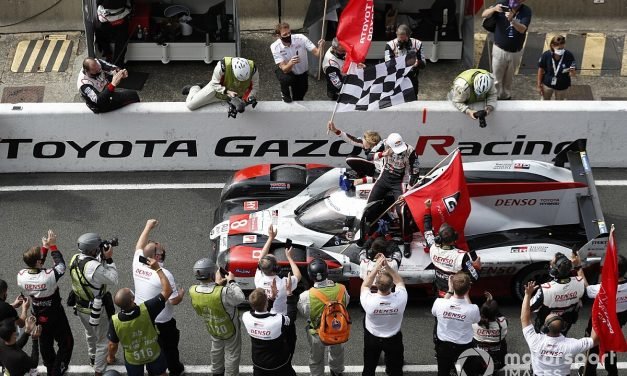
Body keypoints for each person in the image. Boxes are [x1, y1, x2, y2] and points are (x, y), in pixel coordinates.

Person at [132, 219, 185, 376]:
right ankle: (175, 369)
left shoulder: (137, 263)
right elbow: (173, 299)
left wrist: (147, 226)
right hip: (162, 322)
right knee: (169, 347)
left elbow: (138, 247)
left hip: (143, 317)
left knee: (149, 345)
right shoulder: (164, 274)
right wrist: (181, 294)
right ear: (156, 256)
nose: (164, 252)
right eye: (162, 251)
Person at [17, 230, 74, 376]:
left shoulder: (21, 276)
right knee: (66, 342)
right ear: (38, 261)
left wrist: (45, 248)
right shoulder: (48, 277)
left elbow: (37, 267)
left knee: (45, 343)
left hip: (37, 312)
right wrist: (53, 246)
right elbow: (61, 266)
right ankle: (58, 368)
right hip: (54, 313)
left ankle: (50, 367)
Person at [107, 257, 172, 376]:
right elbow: (167, 291)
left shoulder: (115, 321)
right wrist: (158, 269)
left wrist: (111, 357)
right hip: (153, 353)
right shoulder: (147, 308)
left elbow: (112, 344)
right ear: (133, 299)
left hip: (133, 359)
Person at [521, 281, 597, 376]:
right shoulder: (572, 344)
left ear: (545, 328)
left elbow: (524, 318)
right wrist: (597, 313)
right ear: (563, 327)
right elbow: (595, 340)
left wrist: (527, 295)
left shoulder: (535, 340)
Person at [69, 233, 119, 376]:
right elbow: (113, 279)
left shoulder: (76, 257)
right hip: (95, 310)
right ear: (93, 250)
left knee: (90, 334)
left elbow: (90, 267)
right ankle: (99, 371)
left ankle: (93, 358)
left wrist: (100, 257)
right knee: (103, 341)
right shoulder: (94, 268)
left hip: (80, 306)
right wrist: (108, 258)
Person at [189, 258, 246, 376]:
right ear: (211, 274)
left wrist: (216, 285)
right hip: (230, 327)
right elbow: (239, 298)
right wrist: (232, 282)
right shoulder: (223, 291)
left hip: (212, 326)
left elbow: (203, 302)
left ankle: (216, 371)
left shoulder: (193, 290)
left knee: (216, 349)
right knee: (232, 352)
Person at [298, 258, 350, 376]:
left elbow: (304, 312)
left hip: (316, 332)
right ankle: (337, 372)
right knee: (337, 353)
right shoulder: (342, 289)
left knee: (316, 358)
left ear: (311, 276)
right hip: (337, 328)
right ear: (327, 272)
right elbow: (346, 304)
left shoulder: (306, 296)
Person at [255, 225, 302, 354]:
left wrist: (270, 238)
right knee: (287, 347)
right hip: (282, 321)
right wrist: (290, 258)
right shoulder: (284, 283)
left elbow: (260, 259)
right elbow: (298, 276)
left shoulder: (258, 279)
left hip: (266, 320)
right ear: (276, 268)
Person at [580, 254, 627, 376]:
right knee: (610, 350)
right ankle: (613, 373)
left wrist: (578, 267)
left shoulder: (602, 288)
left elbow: (587, 289)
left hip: (599, 326)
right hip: (616, 325)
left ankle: (589, 373)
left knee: (592, 350)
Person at [423, 199, 481, 297]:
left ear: (438, 238)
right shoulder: (462, 256)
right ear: (455, 239)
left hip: (439, 293)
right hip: (456, 296)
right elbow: (474, 277)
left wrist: (427, 208)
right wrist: (477, 267)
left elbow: (427, 229)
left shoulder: (433, 247)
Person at [360, 257, 407, 376]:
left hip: (372, 338)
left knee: (369, 368)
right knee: (395, 370)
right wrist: (387, 267)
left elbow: (365, 285)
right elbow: (400, 281)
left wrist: (376, 267)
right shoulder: (401, 298)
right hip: (393, 338)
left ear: (376, 284)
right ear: (392, 285)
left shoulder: (369, 300)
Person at [431, 272, 480, 376]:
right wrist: (466, 294)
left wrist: (449, 290)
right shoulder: (473, 308)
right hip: (464, 346)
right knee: (468, 372)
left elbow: (435, 311)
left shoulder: (439, 303)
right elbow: (476, 320)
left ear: (452, 285)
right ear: (468, 288)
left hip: (444, 346)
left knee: (443, 372)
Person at [481, 0, 532, 100]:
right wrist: (494, 9)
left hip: (515, 51)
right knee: (496, 78)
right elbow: (484, 14)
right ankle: (495, 97)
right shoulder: (501, 3)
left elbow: (522, 29)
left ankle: (506, 96)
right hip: (499, 49)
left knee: (509, 78)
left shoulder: (526, 11)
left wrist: (512, 20)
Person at [242, 288, 296, 376]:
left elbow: (260, 310)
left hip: (258, 363)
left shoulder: (246, 317)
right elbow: (291, 317)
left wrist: (271, 299)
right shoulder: (278, 319)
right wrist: (289, 294)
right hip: (278, 364)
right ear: (266, 303)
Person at [530, 251, 586, 335]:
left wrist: (528, 295)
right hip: (565, 324)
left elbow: (530, 307)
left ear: (553, 270)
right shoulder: (581, 283)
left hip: (546, 325)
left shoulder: (545, 289)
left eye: (551, 263)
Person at [270, 22, 325, 102]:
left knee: (301, 93)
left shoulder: (301, 38)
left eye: (289, 33)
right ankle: (284, 93)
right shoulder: (275, 47)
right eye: (285, 35)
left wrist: (321, 46)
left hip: (302, 73)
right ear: (278, 36)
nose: (288, 36)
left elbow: (318, 54)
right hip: (288, 72)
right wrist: (291, 63)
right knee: (286, 79)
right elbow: (284, 69)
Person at [183, 57, 258, 111]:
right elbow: (214, 83)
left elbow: (254, 87)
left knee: (240, 108)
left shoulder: (253, 69)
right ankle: (195, 87)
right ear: (232, 70)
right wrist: (227, 92)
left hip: (236, 92)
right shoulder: (222, 66)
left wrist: (249, 98)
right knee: (191, 105)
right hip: (217, 89)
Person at [327, 121, 384, 186]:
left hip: (380, 172)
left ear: (370, 141)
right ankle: (361, 175)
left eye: (364, 139)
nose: (362, 140)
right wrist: (335, 130)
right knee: (350, 158)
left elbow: (385, 174)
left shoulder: (381, 151)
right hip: (374, 168)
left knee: (350, 159)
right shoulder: (367, 145)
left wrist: (364, 180)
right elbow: (351, 140)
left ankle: (363, 176)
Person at [384, 24, 426, 99]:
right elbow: (388, 65)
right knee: (396, 99)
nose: (402, 42)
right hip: (397, 77)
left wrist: (417, 63)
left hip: (412, 76)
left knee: (412, 98)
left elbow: (423, 64)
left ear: (409, 36)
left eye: (404, 39)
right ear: (396, 35)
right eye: (400, 39)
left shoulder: (418, 44)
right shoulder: (390, 45)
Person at [472, 291, 508, 371]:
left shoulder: (474, 323)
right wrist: (491, 301)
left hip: (478, 358)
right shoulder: (503, 323)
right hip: (498, 360)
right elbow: (500, 316)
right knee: (503, 339)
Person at [537, 35, 576, 100]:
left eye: (562, 48)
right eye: (559, 49)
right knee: (544, 103)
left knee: (559, 105)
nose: (561, 51)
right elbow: (540, 69)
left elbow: (573, 73)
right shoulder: (546, 55)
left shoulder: (569, 55)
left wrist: (572, 72)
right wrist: (538, 85)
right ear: (552, 46)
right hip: (547, 84)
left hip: (562, 85)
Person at [94, 0, 132, 65]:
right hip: (121, 18)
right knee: (121, 40)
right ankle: (117, 65)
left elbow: (98, 2)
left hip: (107, 20)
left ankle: (108, 54)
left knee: (99, 32)